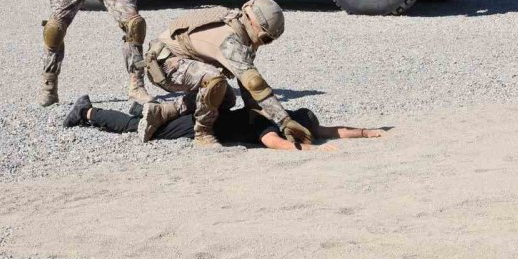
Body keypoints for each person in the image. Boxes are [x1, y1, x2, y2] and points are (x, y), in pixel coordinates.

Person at [142, 0, 314, 148]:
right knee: (214, 81)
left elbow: (246, 82)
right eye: (266, 38)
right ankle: (203, 134)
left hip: (177, 60)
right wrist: (285, 121)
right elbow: (254, 83)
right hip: (163, 65)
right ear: (254, 23)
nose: (264, 44)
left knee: (225, 98)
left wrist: (255, 111)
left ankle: (163, 112)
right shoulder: (230, 41)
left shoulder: (241, 27)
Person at [62, 95, 384, 150]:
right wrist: (314, 153)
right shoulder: (265, 124)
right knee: (144, 129)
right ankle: (88, 112)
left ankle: (142, 108)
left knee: (151, 118)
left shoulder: (281, 116)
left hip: (208, 114)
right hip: (204, 125)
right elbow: (276, 144)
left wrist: (368, 132)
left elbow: (331, 130)